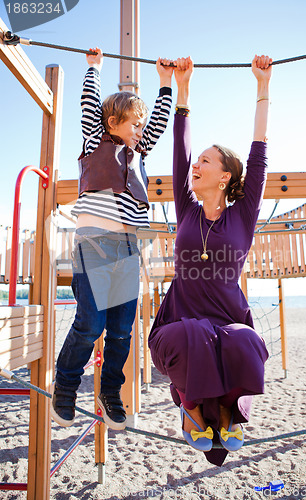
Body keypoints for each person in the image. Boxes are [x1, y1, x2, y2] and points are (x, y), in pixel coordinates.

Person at [148, 55, 272, 466]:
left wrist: (262, 86)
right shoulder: (187, 209)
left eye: (206, 161)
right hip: (178, 325)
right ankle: (193, 408)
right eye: (197, 161)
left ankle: (226, 414)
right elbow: (179, 154)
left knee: (245, 339)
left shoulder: (243, 213)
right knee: (194, 334)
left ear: (225, 177)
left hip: (227, 321)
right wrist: (182, 90)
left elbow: (259, 155)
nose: (195, 166)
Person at [51, 47, 174, 430]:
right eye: (134, 124)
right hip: (93, 245)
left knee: (122, 328)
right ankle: (66, 386)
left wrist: (166, 83)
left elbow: (159, 123)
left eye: (141, 126)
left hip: (126, 251)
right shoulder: (93, 140)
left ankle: (110, 390)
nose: (141, 130)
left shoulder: (141, 151)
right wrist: (94, 68)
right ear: (112, 122)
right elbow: (89, 103)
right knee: (90, 324)